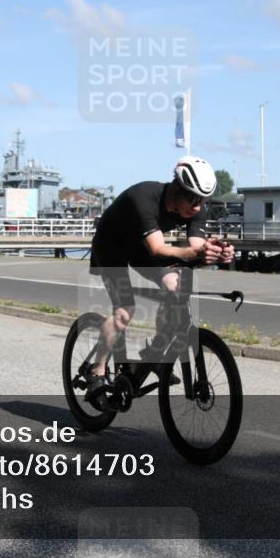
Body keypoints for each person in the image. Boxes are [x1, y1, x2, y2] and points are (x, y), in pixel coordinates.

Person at [86, 156, 234, 409]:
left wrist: (214, 253)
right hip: (112, 246)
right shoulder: (144, 196)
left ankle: (153, 354)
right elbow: (157, 248)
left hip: (141, 247)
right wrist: (193, 254)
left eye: (203, 200)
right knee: (124, 311)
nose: (197, 207)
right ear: (177, 187)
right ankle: (97, 371)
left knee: (175, 285)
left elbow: (195, 250)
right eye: (193, 199)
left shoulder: (196, 207)